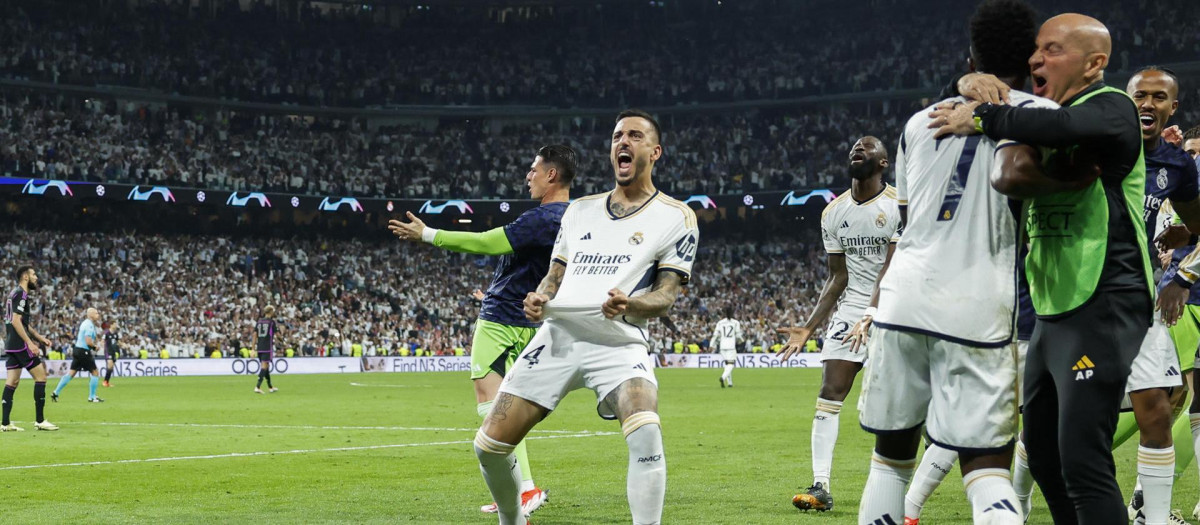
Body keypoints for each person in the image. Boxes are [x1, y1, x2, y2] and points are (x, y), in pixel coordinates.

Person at [933, 12, 1153, 524]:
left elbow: (1064, 126)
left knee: (1081, 459)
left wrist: (982, 116)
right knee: (1044, 458)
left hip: (1106, 297)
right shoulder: (1040, 112)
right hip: (1055, 308)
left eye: (1052, 50)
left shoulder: (1112, 106)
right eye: (1036, 49)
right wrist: (968, 83)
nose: (1035, 58)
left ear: (1094, 63)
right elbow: (973, 93)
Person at [855, 3, 1060, 524]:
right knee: (986, 465)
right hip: (978, 301)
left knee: (890, 458)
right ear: (1032, 56)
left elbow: (911, 215)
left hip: (901, 298)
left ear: (972, 57)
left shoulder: (917, 123)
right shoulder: (1043, 118)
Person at [473, 109, 697, 525]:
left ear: (655, 151)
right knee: (488, 447)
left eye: (634, 135)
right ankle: (513, 521)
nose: (622, 143)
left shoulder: (676, 216)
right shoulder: (579, 212)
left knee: (646, 427)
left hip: (618, 339)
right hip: (558, 336)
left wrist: (631, 303)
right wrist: (538, 299)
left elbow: (667, 294)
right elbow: (554, 277)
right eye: (616, 137)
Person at [390, 144, 575, 517]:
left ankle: (522, 489)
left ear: (551, 174)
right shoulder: (574, 219)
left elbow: (487, 242)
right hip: (529, 321)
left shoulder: (544, 217)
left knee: (494, 404)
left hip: (502, 320)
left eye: (533, 169)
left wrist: (429, 235)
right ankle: (522, 489)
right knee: (509, 403)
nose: (528, 175)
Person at [777, 135, 901, 512]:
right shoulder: (833, 212)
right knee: (830, 392)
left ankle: (903, 488)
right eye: (853, 148)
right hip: (850, 312)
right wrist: (808, 327)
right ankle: (820, 485)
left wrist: (874, 312)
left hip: (894, 308)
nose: (857, 150)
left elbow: (894, 267)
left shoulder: (898, 205)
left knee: (899, 406)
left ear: (883, 164)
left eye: (867, 148)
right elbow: (837, 277)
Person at [1112, 66, 1200, 524]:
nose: (1147, 103)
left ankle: (1152, 516)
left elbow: (1195, 220)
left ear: (1172, 107)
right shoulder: (1097, 149)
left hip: (1142, 305)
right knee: (1059, 416)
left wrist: (1184, 244)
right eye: (1139, 96)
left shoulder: (1177, 164)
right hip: (1078, 307)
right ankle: (1018, 506)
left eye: (1158, 97)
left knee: (1164, 408)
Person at [2, 265, 58, 432]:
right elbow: (16, 321)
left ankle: (5, 423)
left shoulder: (13, 293)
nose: (36, 277)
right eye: (33, 274)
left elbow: (23, 323)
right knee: (41, 377)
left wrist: (40, 338)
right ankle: (40, 421)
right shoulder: (22, 294)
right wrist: (30, 343)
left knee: (12, 381)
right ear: (25, 277)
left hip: (11, 344)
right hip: (20, 344)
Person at [52, 307, 104, 403]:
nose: (98, 315)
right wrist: (95, 347)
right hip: (83, 351)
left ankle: (56, 392)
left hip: (77, 350)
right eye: (96, 313)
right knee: (95, 372)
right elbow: (88, 341)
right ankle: (92, 397)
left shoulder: (86, 323)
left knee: (71, 373)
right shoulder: (89, 325)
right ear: (91, 314)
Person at [710, 308, 743, 387]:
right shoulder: (736, 323)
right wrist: (741, 340)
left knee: (727, 364)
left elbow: (715, 335)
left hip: (722, 345)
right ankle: (723, 377)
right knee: (731, 364)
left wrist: (711, 345)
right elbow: (738, 335)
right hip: (731, 345)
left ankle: (730, 383)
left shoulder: (720, 323)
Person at [254, 305, 279, 394]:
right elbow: (277, 334)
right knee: (264, 367)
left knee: (266, 367)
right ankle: (257, 386)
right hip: (267, 347)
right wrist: (281, 339)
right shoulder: (271, 322)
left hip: (260, 347)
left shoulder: (259, 321)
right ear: (270, 312)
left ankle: (270, 387)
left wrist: (253, 348)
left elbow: (254, 334)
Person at [103, 321, 121, 387]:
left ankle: (107, 382)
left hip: (114, 352)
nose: (116, 325)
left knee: (111, 367)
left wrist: (123, 345)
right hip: (108, 351)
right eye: (115, 324)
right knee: (110, 365)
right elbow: (103, 341)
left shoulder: (116, 334)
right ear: (111, 325)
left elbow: (118, 341)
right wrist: (102, 346)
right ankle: (105, 382)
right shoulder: (107, 333)